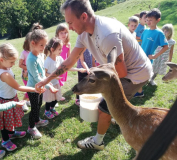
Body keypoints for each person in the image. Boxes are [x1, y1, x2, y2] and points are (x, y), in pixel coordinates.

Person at [36, 0, 152, 150]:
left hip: (136, 74)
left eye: (71, 23)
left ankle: (98, 142)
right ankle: (116, 115)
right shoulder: (84, 33)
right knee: (110, 103)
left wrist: (98, 81)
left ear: (84, 17)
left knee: (104, 107)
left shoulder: (107, 35)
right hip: (123, 71)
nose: (69, 28)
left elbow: (121, 73)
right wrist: (46, 80)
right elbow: (70, 61)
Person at [0, 43, 41, 151]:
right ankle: (5, 140)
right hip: (5, 101)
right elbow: (19, 87)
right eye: (12, 62)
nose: (14, 64)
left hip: (12, 97)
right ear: (1, 59)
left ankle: (11, 133)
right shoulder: (4, 74)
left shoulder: (5, 68)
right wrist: (35, 89)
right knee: (5, 122)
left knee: (10, 120)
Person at [26, 23, 58, 139]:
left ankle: (37, 120)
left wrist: (47, 83)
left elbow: (42, 73)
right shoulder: (30, 59)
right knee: (34, 107)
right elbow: (36, 78)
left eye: (45, 45)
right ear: (33, 43)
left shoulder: (39, 55)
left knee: (39, 104)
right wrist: (49, 86)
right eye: (41, 45)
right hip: (33, 88)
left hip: (41, 86)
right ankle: (31, 127)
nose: (44, 48)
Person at [43, 37, 86, 118]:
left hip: (56, 83)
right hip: (49, 84)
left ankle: (52, 108)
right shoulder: (47, 61)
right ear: (52, 50)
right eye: (59, 49)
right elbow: (44, 73)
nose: (61, 51)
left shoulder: (59, 58)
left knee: (56, 98)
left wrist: (78, 69)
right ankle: (47, 110)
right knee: (49, 99)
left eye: (61, 48)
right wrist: (54, 76)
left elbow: (67, 67)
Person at [134, 8, 168, 97]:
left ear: (158, 20)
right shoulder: (145, 31)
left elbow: (166, 46)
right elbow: (141, 42)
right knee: (137, 73)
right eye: (147, 20)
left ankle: (140, 92)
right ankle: (139, 89)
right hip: (139, 56)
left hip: (147, 59)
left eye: (151, 20)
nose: (148, 22)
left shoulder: (159, 33)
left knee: (139, 74)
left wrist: (155, 56)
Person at [55, 23, 71, 101]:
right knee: (56, 82)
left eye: (65, 32)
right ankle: (56, 98)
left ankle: (58, 96)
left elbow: (69, 56)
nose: (64, 34)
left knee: (60, 82)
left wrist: (68, 65)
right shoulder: (55, 44)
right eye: (61, 32)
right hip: (57, 66)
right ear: (57, 34)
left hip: (64, 67)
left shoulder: (68, 44)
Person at [19, 32, 32, 112]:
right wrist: (29, 68)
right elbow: (20, 65)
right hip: (26, 75)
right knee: (29, 91)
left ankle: (27, 101)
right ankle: (22, 103)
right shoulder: (24, 53)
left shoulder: (34, 51)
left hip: (33, 75)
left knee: (31, 90)